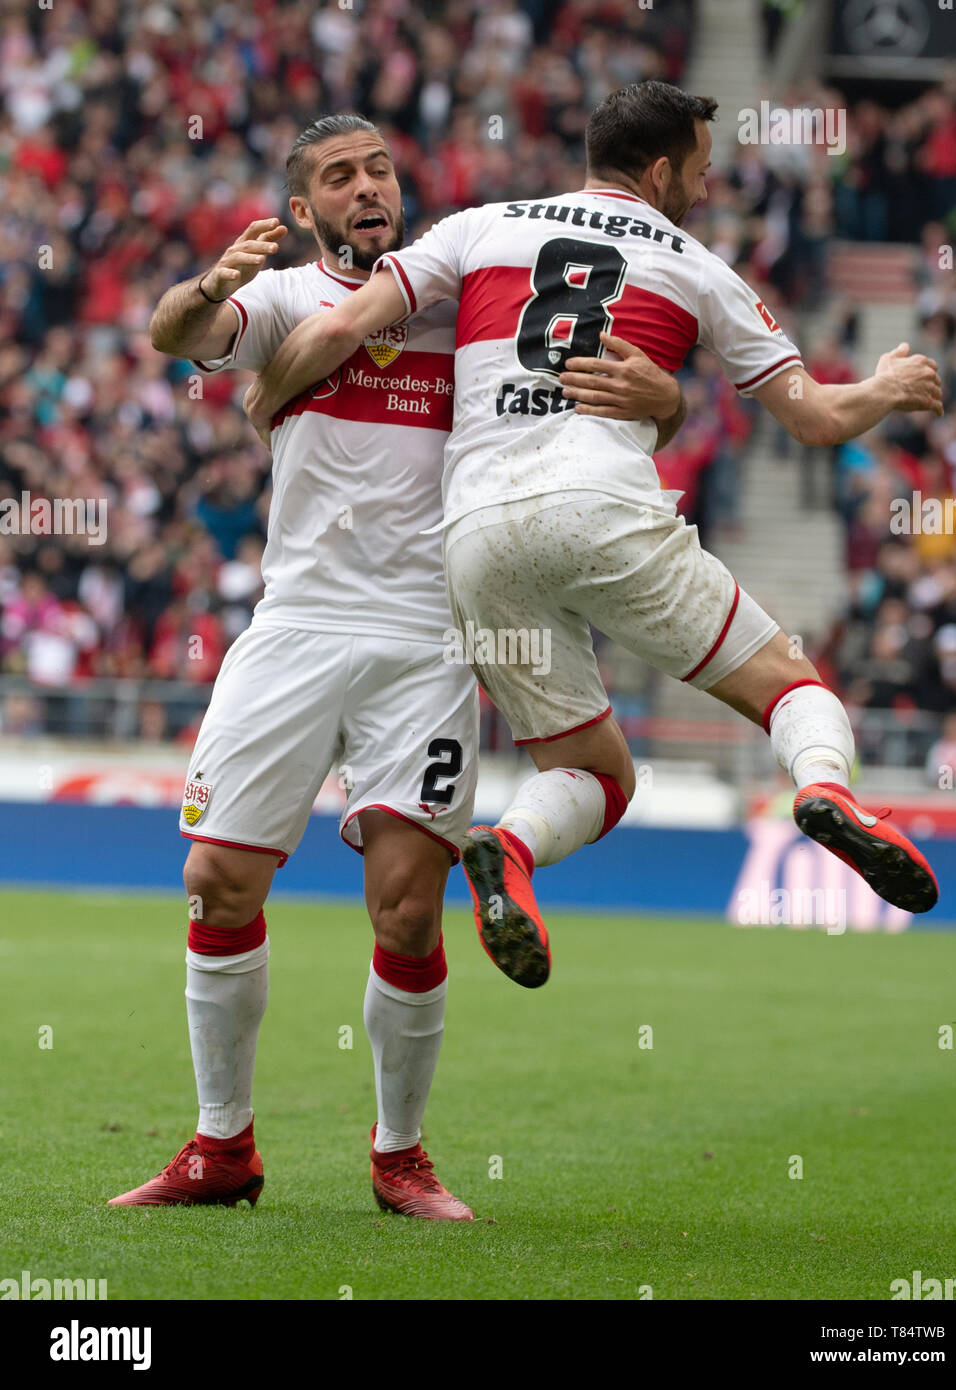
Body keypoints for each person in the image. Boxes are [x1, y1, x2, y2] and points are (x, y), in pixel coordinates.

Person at [243, 82, 943, 991]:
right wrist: (887, 387)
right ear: (659, 171)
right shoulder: (696, 264)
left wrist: (268, 401)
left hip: (476, 535)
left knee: (591, 768)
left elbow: (338, 324)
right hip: (601, 504)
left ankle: (512, 850)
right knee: (788, 689)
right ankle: (824, 788)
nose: (700, 186)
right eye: (695, 170)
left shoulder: (475, 226)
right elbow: (812, 418)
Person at [108, 113, 683, 1214]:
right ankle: (221, 1146)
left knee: (407, 909)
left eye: (377, 169)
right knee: (216, 882)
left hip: (427, 636)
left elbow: (617, 388)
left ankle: (399, 1154)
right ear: (307, 209)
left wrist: (665, 398)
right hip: (296, 625)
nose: (365, 187)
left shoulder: (471, 303)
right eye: (338, 176)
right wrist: (198, 289)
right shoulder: (283, 300)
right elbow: (177, 333)